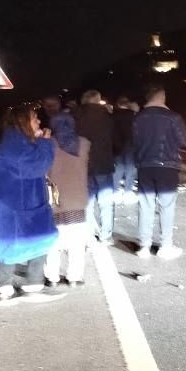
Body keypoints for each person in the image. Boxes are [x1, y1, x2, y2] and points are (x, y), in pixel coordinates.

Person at [0, 105, 65, 305]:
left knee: (9, 246)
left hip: (11, 204)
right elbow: (38, 165)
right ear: (23, 122)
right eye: (34, 118)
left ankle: (6, 289)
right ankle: (26, 287)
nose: (39, 122)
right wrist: (45, 143)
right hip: (19, 207)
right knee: (32, 242)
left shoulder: (9, 140)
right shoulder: (14, 144)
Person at [132, 85, 186, 259]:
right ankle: (165, 246)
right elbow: (184, 140)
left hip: (145, 167)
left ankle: (144, 247)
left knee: (145, 205)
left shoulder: (138, 118)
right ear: (162, 97)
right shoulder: (173, 117)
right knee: (166, 206)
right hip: (168, 167)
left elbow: (134, 141)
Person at [44, 113, 90, 288]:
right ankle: (74, 277)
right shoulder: (84, 143)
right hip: (78, 198)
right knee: (77, 240)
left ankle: (52, 277)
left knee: (53, 240)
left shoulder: (48, 144)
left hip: (54, 199)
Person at [75, 89, 114, 244]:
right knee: (106, 202)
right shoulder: (108, 116)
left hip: (83, 164)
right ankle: (106, 235)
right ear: (98, 100)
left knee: (87, 201)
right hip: (103, 163)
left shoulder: (75, 115)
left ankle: (88, 233)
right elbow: (117, 139)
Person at [112, 96, 138, 200]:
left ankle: (115, 190)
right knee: (131, 167)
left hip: (117, 145)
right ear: (128, 104)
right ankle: (128, 190)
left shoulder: (112, 116)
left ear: (118, 105)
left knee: (119, 167)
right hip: (130, 144)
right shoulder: (134, 115)